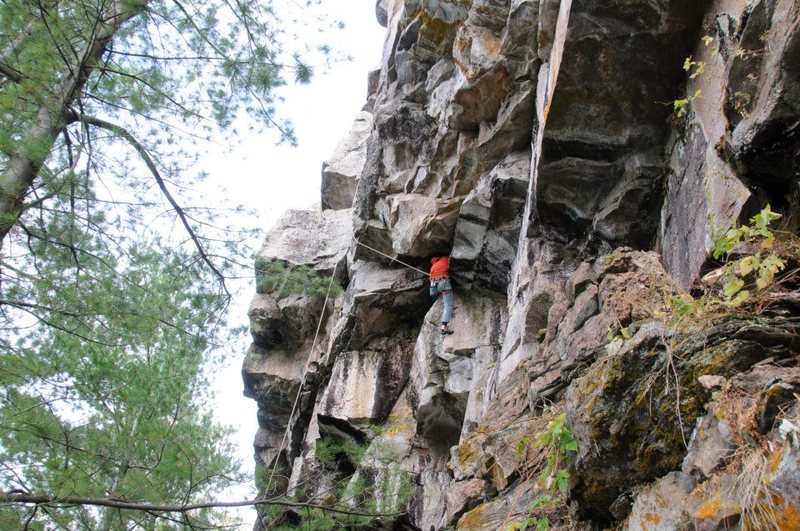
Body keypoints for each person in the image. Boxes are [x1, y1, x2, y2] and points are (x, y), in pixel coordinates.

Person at [429, 256, 454, 335]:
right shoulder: (446, 259)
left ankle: (444, 326)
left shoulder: (433, 265)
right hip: (443, 283)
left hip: (434, 285)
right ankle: (444, 326)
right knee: (448, 305)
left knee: (446, 303)